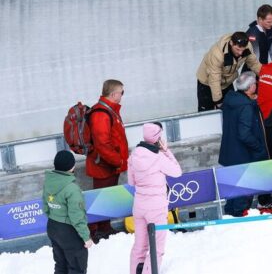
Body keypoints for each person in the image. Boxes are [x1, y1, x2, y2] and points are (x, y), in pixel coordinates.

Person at [128, 123, 182, 274]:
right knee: (157, 248)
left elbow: (131, 182)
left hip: (139, 206)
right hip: (156, 208)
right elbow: (177, 172)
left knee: (139, 246)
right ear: (158, 138)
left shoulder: (134, 155)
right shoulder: (158, 157)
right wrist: (166, 151)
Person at [218, 72, 270, 217]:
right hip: (243, 156)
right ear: (250, 88)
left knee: (233, 192)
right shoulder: (246, 106)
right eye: (255, 84)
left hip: (230, 153)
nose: (256, 86)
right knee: (243, 194)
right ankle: (239, 218)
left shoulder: (231, 101)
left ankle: (229, 216)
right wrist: (259, 148)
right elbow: (244, 134)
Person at [86, 79, 127, 243]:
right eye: (122, 92)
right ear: (114, 94)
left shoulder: (109, 110)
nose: (122, 95)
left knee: (107, 197)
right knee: (100, 198)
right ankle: (95, 231)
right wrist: (118, 161)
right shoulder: (101, 114)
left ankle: (105, 227)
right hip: (104, 165)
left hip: (109, 165)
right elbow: (102, 144)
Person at [44, 150, 92, 274]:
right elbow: (77, 216)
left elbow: (45, 207)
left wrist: (55, 216)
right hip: (69, 231)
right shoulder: (72, 188)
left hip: (53, 226)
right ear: (71, 167)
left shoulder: (48, 181)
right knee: (77, 267)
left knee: (61, 266)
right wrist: (86, 237)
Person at [196, 32, 261, 111]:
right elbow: (214, 79)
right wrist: (218, 101)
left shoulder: (247, 47)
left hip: (227, 81)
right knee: (207, 111)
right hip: (207, 83)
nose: (240, 53)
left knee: (232, 106)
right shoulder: (217, 54)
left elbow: (254, 64)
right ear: (231, 43)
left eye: (242, 50)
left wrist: (265, 77)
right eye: (237, 49)